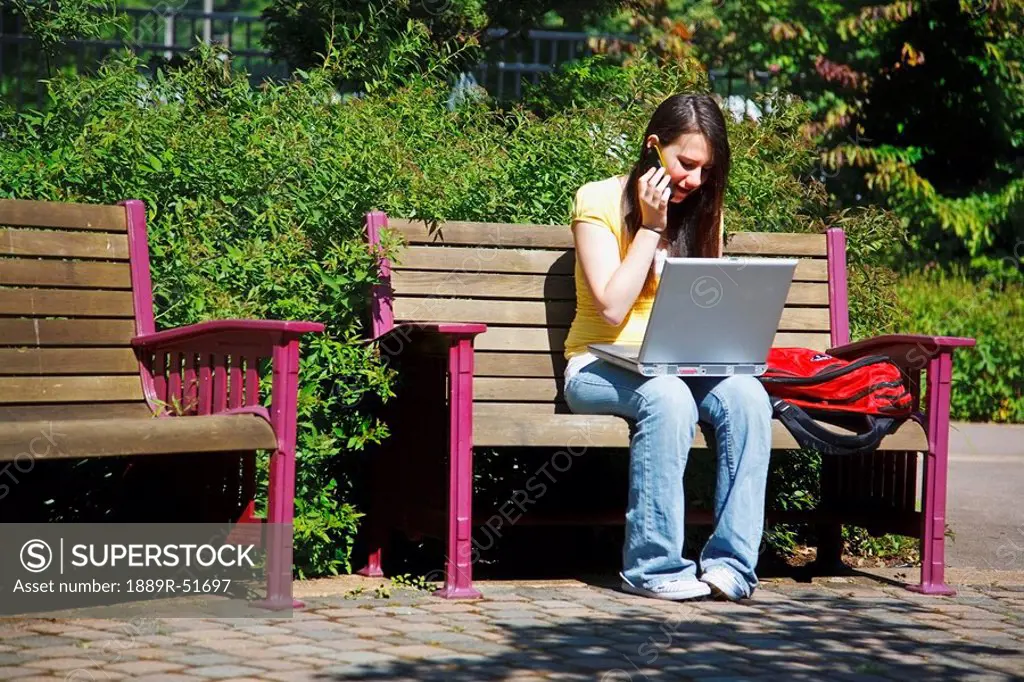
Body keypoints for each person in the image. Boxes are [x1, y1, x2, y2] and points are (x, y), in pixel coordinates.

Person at [562, 93, 773, 602]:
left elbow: (705, 312)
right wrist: (651, 231)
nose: (694, 181)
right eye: (685, 164)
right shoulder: (597, 201)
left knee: (747, 396)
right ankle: (654, 568)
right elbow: (611, 307)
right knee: (668, 395)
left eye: (706, 170)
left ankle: (731, 566)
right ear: (653, 147)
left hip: (676, 364)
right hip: (597, 364)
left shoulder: (701, 211)